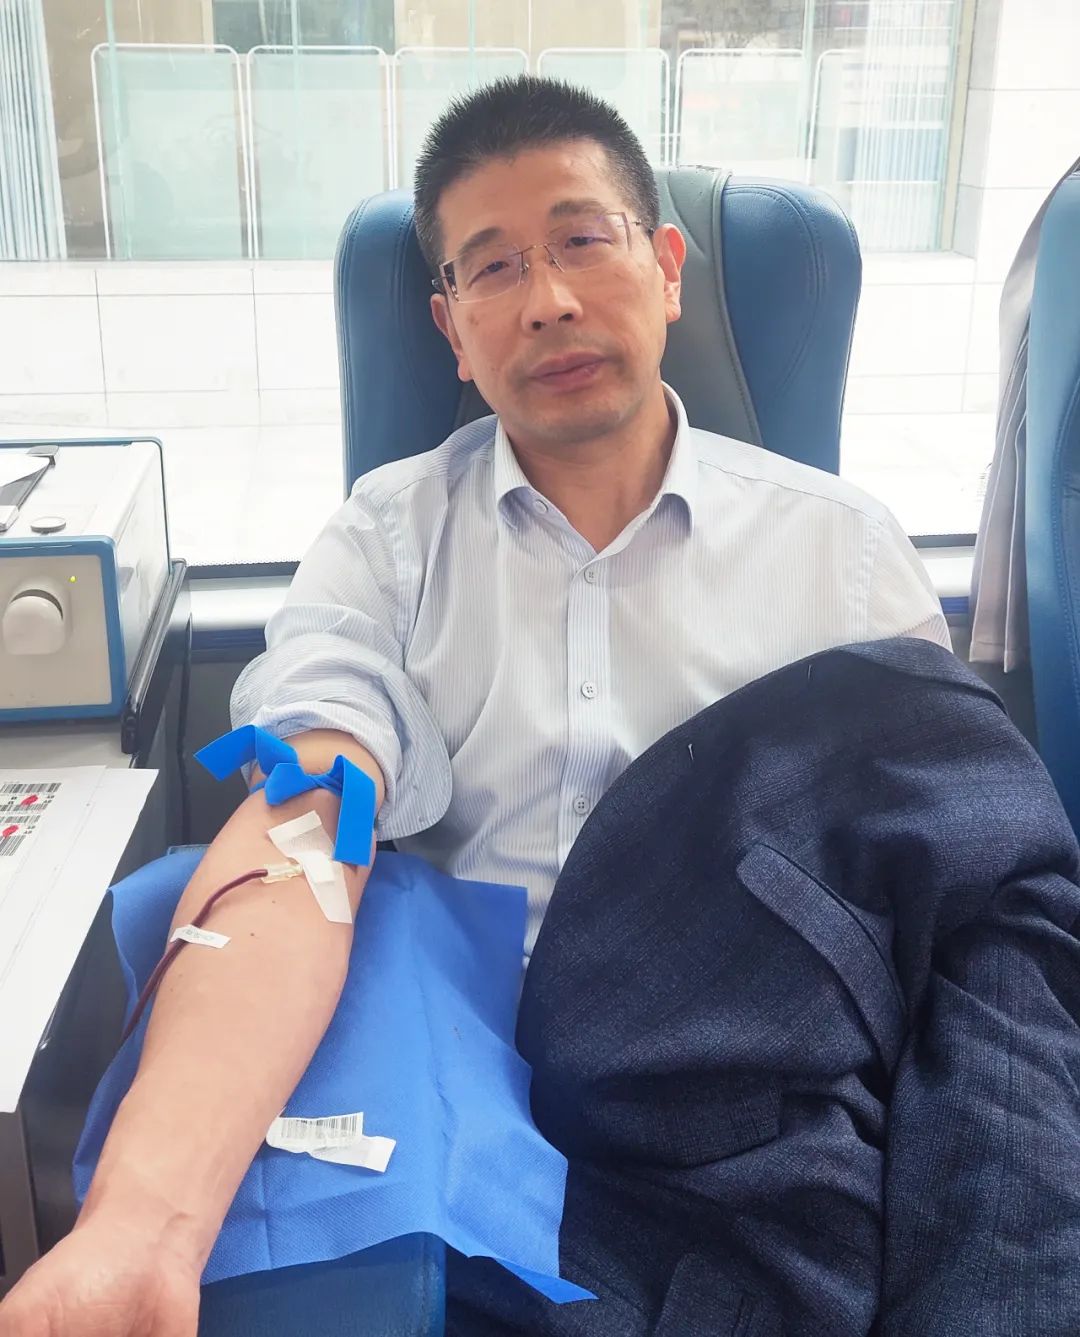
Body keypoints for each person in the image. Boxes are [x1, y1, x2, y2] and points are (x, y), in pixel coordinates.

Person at [0, 75, 949, 1334]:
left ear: (667, 269)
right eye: (494, 267)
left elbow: (947, 892)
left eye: (582, 239)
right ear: (452, 329)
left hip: (752, 1096)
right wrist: (139, 1228)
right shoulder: (388, 543)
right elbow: (306, 822)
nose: (547, 298)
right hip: (463, 1097)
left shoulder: (846, 556)